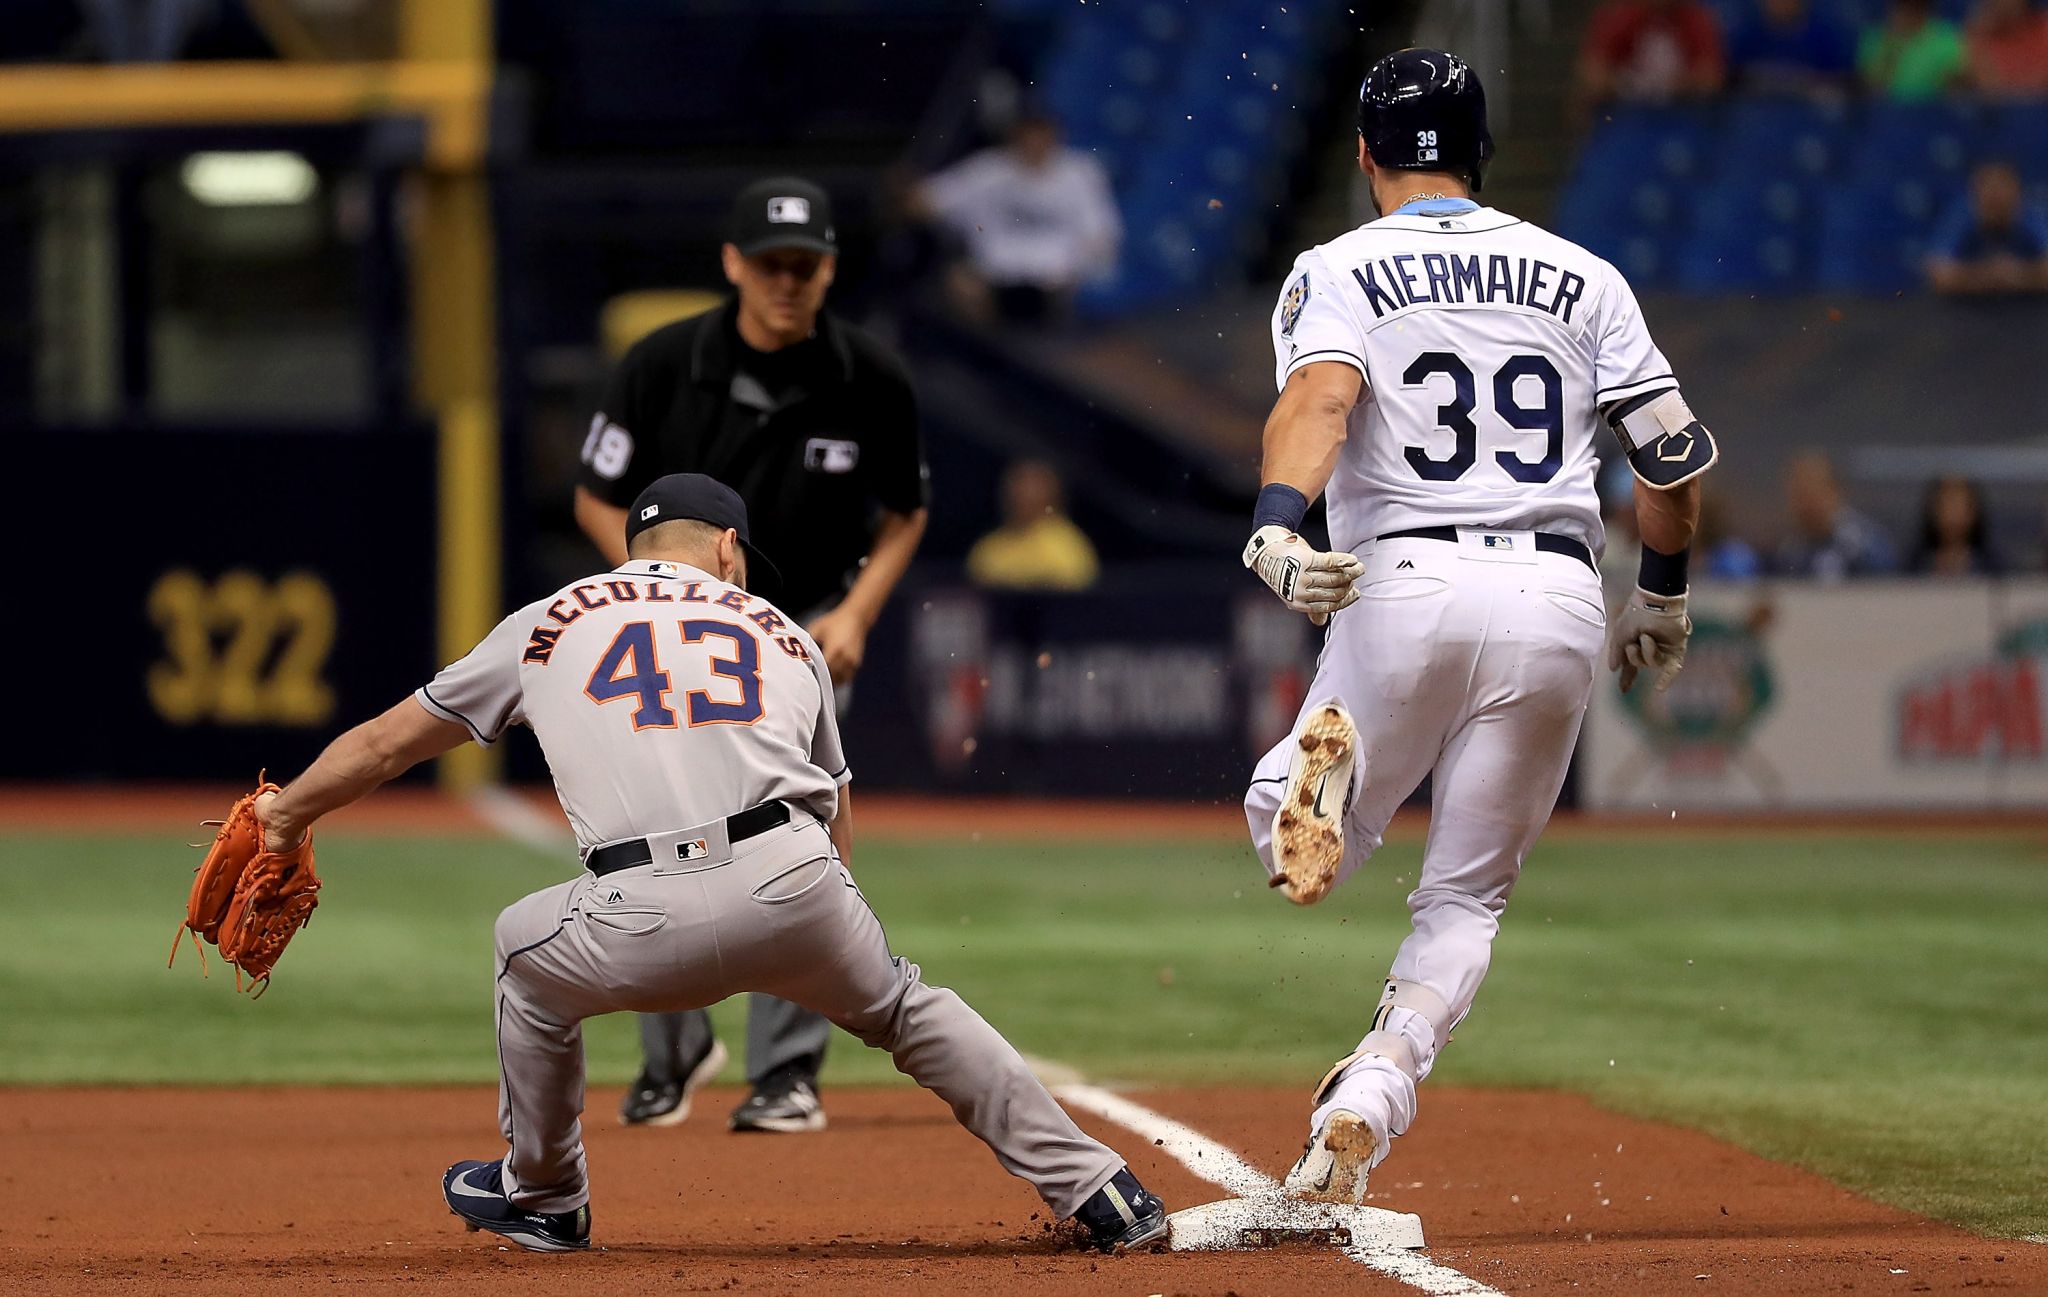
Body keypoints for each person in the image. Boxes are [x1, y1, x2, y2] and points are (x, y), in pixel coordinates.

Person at [243, 473, 1169, 1255]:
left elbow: (384, 746)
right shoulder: (783, 630)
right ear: (729, 547)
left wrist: (286, 816)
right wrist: (832, 936)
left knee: (523, 958)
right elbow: (835, 802)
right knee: (904, 1007)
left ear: (633, 549)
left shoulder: (548, 621)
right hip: (796, 878)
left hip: (635, 914)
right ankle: (1103, 1190)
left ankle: (546, 1193)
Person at [1240, 49, 1718, 1204]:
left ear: (1363, 158)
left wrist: (1274, 526)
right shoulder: (1581, 273)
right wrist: (1659, 589)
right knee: (1463, 900)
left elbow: (1321, 399)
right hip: (1554, 595)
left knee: (1281, 821)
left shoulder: (1336, 266)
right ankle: (1370, 1097)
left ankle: (1326, 788)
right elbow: (1671, 451)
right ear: (1479, 152)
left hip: (1399, 580)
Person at [573, 177, 930, 1134]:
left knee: (794, 830)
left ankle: (785, 1072)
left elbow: (907, 511)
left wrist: (854, 612)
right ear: (733, 264)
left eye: (805, 265)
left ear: (829, 269)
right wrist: (651, 591)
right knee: (661, 822)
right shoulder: (661, 364)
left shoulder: (868, 375)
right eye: (770, 264)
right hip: (673, 633)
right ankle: (676, 1047)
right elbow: (597, 495)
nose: (787, 281)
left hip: (800, 630)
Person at [910, 111, 1121, 325]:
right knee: (957, 282)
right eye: (1028, 139)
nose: (1035, 146)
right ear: (1015, 138)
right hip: (992, 279)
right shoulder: (989, 169)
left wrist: (1078, 272)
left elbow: (1102, 235)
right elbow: (929, 200)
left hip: (1053, 286)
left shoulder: (1081, 173)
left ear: (1055, 138)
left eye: (1041, 139)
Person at [967, 460, 1100, 591]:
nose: (1021, 495)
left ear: (1054, 494)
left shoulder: (1069, 548)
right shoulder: (988, 548)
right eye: (1017, 485)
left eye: (1033, 487)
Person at [1576, 0, 1725, 110]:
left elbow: (1710, 78)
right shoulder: (1622, 17)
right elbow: (1593, 74)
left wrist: (1664, 85)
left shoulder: (1695, 19)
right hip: (1627, 115)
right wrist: (1631, 85)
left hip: (1684, 113)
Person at [1927, 161, 2048, 294]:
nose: (1996, 196)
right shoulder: (1960, 217)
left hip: (2029, 302)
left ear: (2017, 192)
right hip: (1968, 304)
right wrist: (1987, 275)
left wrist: (2019, 274)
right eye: (1988, 189)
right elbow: (1939, 273)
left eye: (2002, 188)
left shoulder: (2032, 216)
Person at [1773, 451, 1899, 577]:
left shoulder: (1866, 546)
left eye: (1813, 492)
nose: (1807, 504)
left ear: (1834, 491)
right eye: (1799, 494)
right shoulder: (1791, 551)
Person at [1724, 0, 1857, 96]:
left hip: (1812, 121)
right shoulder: (1747, 36)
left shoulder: (1823, 38)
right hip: (1753, 121)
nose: (1782, 3)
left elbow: (1842, 85)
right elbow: (1728, 83)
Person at [1859, 0, 1967, 100]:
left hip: (1930, 112)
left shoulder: (1945, 39)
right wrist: (1891, 50)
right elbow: (1870, 88)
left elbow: (1957, 87)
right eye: (1902, 8)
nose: (1906, 15)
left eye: (1913, 9)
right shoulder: (1877, 38)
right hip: (1884, 113)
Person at [1912, 476, 2002, 574]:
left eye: (1959, 505)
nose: (1953, 514)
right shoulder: (1915, 565)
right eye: (1946, 503)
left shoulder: (1992, 566)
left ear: (1973, 511)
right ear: (1933, 510)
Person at [1966, 0, 2048, 99]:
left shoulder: (2044, 28)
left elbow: (2041, 84)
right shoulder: (1981, 37)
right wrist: (1980, 37)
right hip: (2003, 112)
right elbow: (1992, 91)